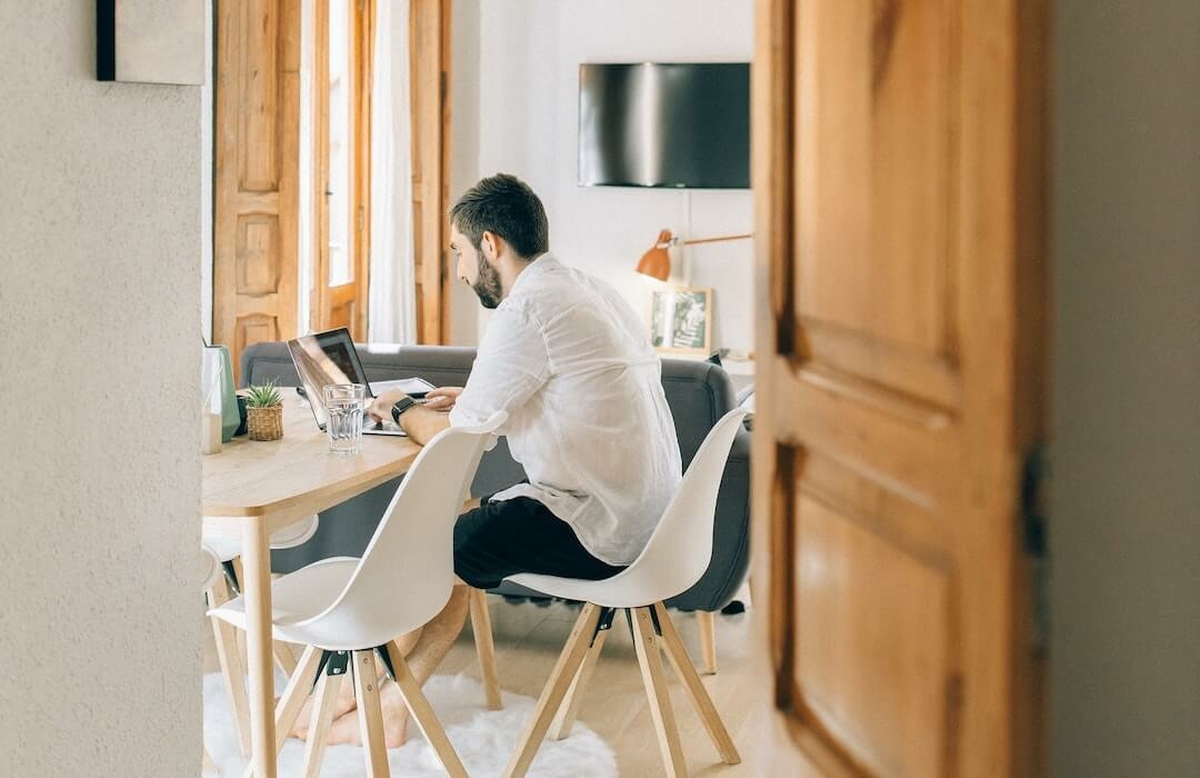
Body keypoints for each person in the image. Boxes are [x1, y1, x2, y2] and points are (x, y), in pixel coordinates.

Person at [295, 172, 682, 747]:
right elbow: (545, 390)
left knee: (426, 546)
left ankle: (357, 695)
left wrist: (398, 408)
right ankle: (394, 704)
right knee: (465, 531)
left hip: (601, 529)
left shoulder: (525, 311)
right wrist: (466, 400)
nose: (457, 270)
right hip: (656, 523)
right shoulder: (588, 290)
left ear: (491, 246)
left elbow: (455, 438)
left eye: (457, 252)